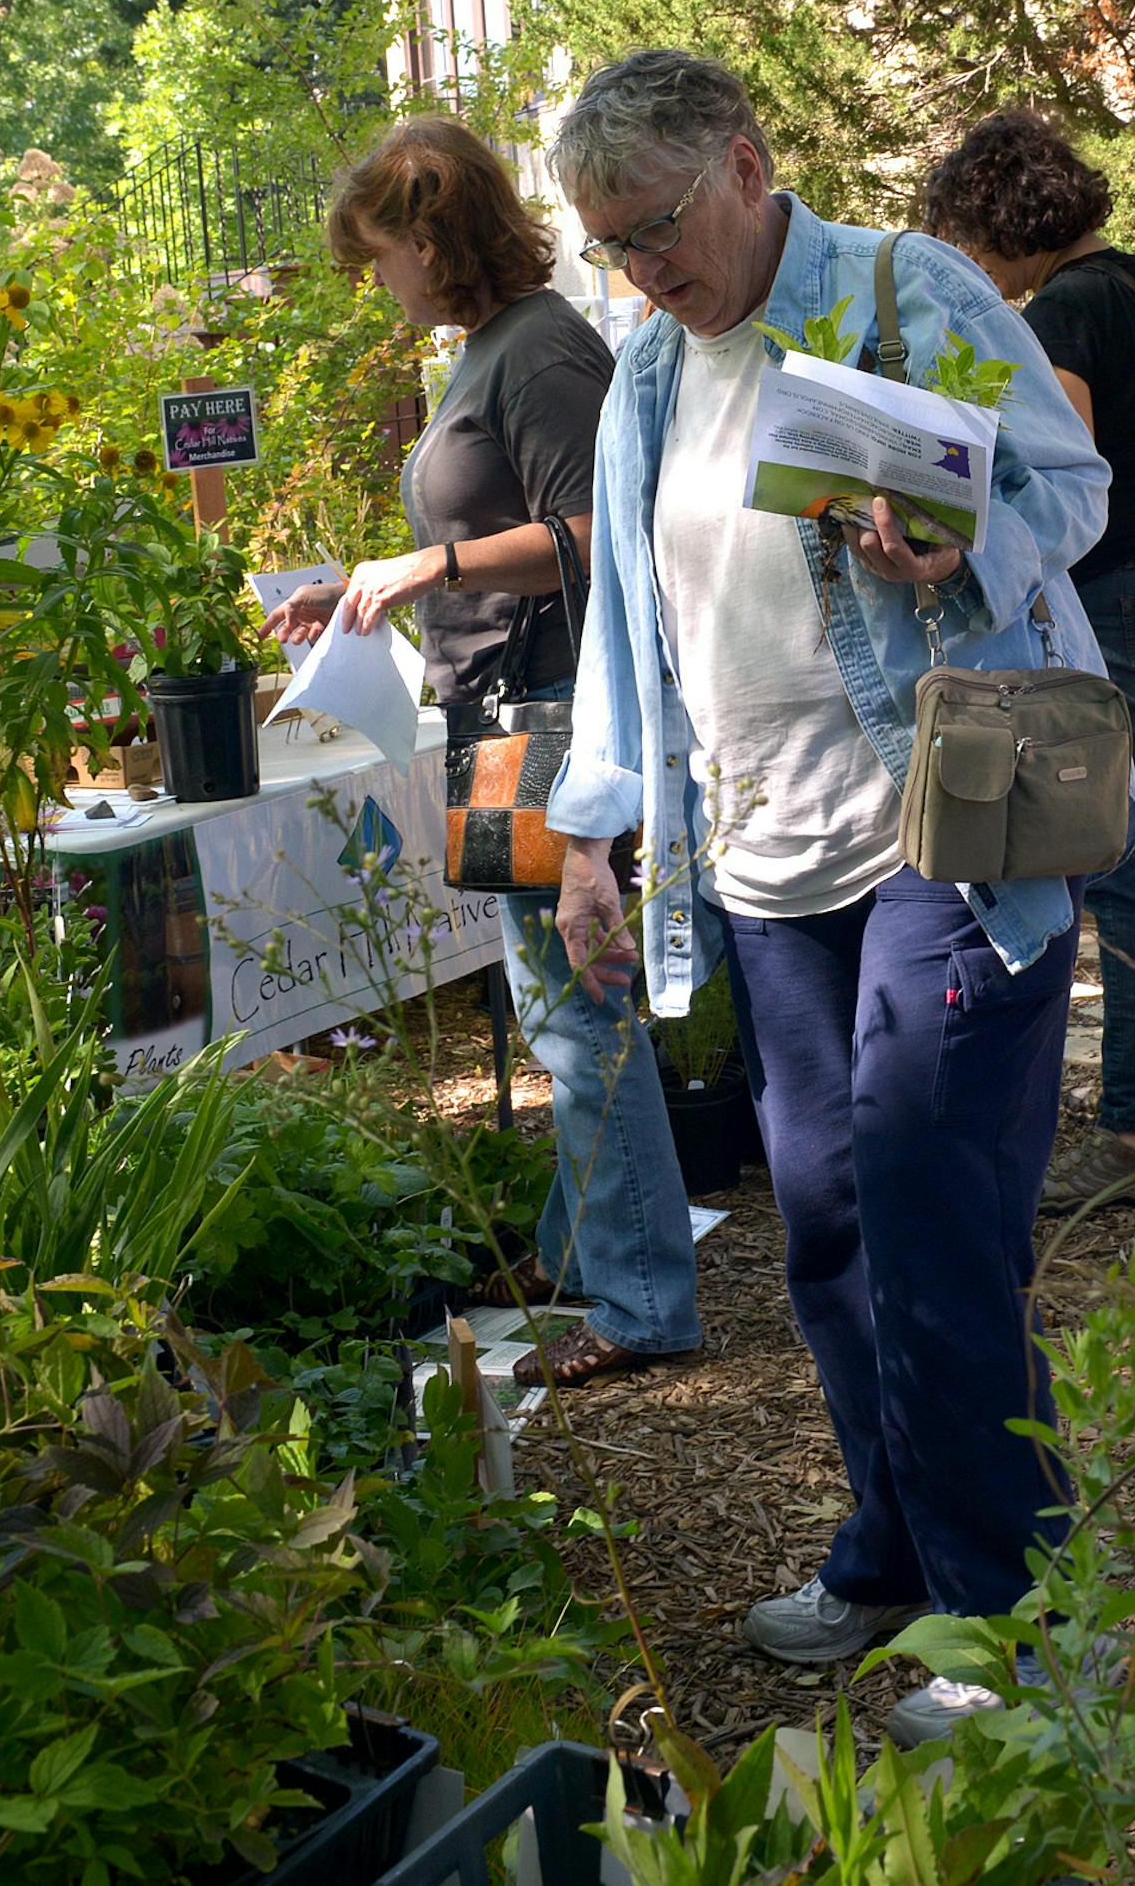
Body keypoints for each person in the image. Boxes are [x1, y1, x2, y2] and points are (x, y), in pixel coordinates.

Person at [542, 51, 1111, 1747]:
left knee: (930, 1204)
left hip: (956, 822)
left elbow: (1063, 492)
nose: (643, 271)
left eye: (655, 228)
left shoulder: (895, 290)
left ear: (744, 162)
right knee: (830, 1221)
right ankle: (886, 1549)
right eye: (612, 248)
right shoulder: (648, 374)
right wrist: (596, 827)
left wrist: (963, 545)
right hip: (772, 866)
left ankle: (1014, 1622)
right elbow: (627, 627)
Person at [262, 115, 701, 1389]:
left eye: (380, 253)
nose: (374, 280)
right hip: (505, 714)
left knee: (582, 1007)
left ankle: (640, 1299)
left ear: (432, 234)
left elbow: (588, 535)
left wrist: (429, 565)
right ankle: (583, 1250)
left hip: (556, 714)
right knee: (553, 998)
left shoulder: (543, 348)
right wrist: (368, 588)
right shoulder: (492, 350)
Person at [925, 111, 1135, 1213]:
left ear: (1009, 221)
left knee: (1123, 856)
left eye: (967, 235)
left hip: (1131, 591)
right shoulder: (1132, 281)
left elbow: (1069, 479)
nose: (965, 263)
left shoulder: (1062, 312)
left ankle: (1133, 1129)